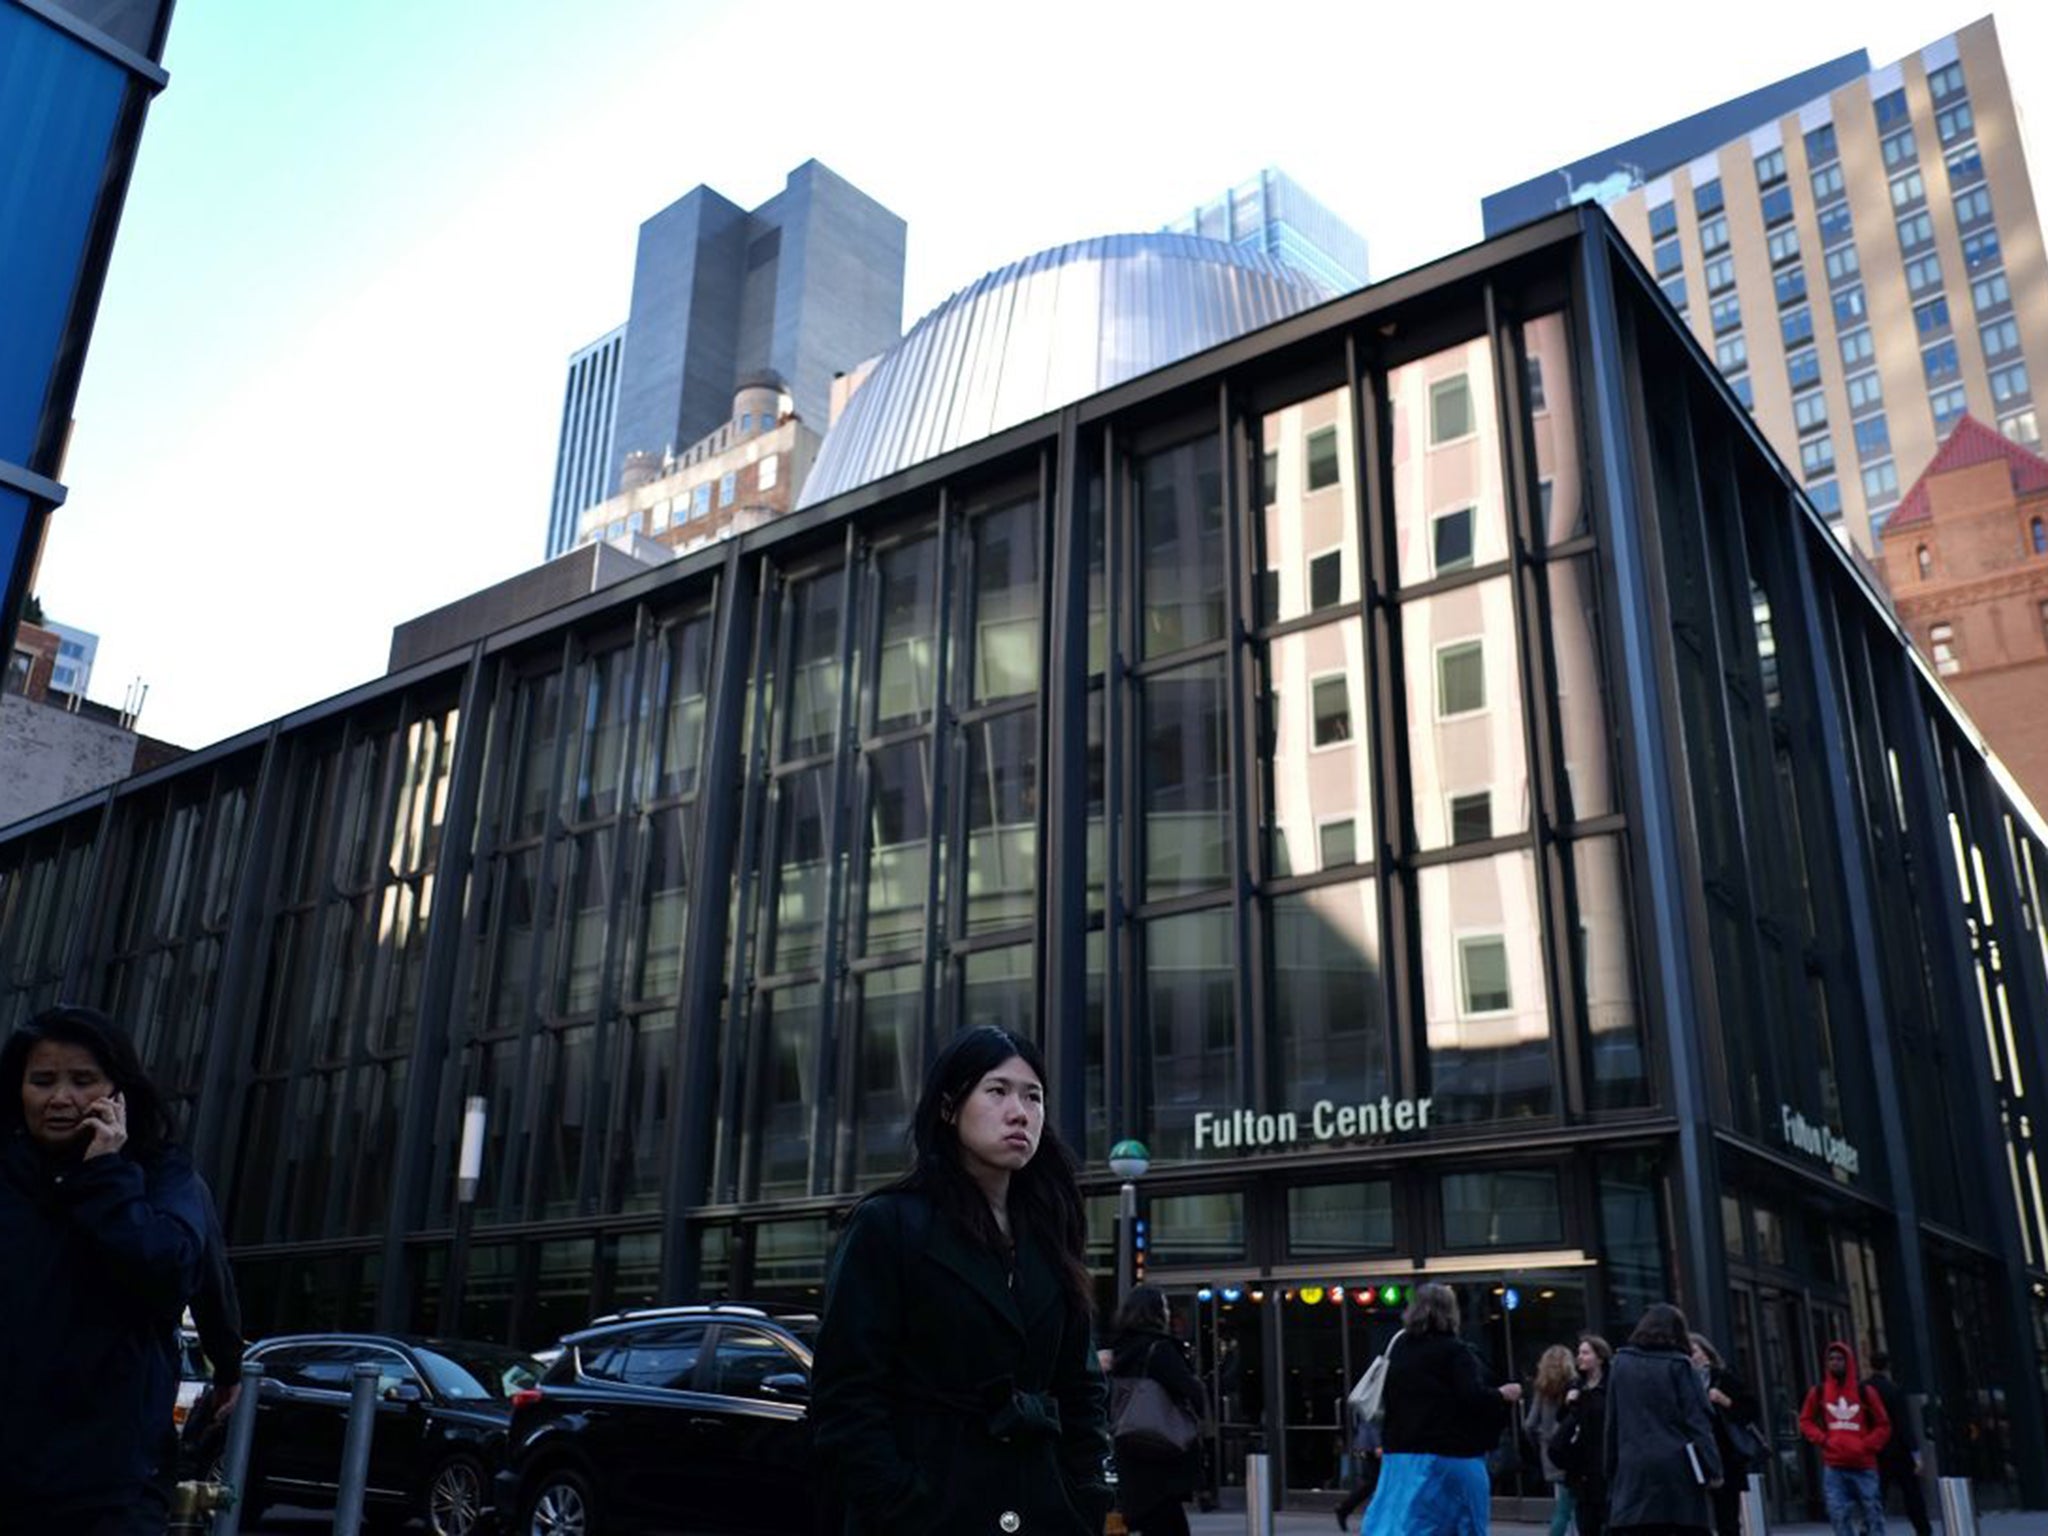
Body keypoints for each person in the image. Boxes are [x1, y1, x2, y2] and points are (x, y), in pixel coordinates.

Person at [811, 1025, 1112, 1535]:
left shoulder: (1049, 1236)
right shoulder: (890, 1224)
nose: (1020, 1112)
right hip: (928, 1512)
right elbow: (845, 1394)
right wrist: (901, 1501)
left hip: (1041, 1511)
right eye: (997, 1091)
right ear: (949, 1108)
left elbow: (1080, 1388)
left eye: (1033, 1097)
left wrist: (1085, 1493)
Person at [0, 1005, 208, 1535]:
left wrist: (106, 1176)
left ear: (119, 1092)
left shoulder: (162, 1174)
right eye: (42, 1081)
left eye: (83, 1080)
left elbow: (169, 1276)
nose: (61, 1098)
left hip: (111, 1484)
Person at [1359, 1281, 1522, 1535]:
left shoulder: (1399, 1347)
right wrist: (1502, 1395)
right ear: (1450, 1311)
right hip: (1448, 1456)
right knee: (1463, 1523)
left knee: (1400, 1524)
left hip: (1400, 1457)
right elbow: (1473, 1398)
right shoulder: (1454, 1351)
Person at [1603, 1302, 1721, 1536]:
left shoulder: (1621, 1364)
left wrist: (1610, 1468)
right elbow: (1698, 1422)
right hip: (1677, 1467)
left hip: (1633, 1466)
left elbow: (1612, 1422)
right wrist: (1713, 1468)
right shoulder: (1680, 1365)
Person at [1104, 1285, 1202, 1536]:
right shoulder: (1159, 1349)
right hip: (1161, 1454)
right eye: (1165, 1307)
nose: (1169, 1313)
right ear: (1156, 1313)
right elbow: (1189, 1389)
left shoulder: (1118, 1351)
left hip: (1130, 1452)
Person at [1799, 1341, 1891, 1536]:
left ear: (1847, 1362)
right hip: (1835, 1464)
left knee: (1872, 1513)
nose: (1835, 1363)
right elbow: (1805, 1420)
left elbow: (1883, 1424)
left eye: (1839, 1359)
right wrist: (1823, 1440)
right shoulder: (1819, 1392)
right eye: (1831, 1359)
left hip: (1863, 1464)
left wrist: (1867, 1445)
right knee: (1837, 1513)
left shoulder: (1865, 1392)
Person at [1688, 1334, 1761, 1536]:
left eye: (1693, 1351)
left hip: (1726, 1455)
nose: (1690, 1357)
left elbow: (1751, 1410)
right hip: (1696, 1455)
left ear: (1706, 1353)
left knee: (1727, 1517)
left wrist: (1724, 1401)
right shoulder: (1683, 1382)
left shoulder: (1723, 1378)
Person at [1863, 1351, 1929, 1536]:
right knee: (1911, 1492)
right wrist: (1915, 1454)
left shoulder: (1863, 1390)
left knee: (1876, 1494)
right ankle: (1923, 1529)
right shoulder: (1894, 1390)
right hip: (1898, 1449)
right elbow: (1903, 1424)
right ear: (1887, 1366)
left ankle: (1868, 1528)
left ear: (1871, 1365)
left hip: (1874, 1449)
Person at [1553, 1334, 1613, 1536]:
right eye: (1579, 1353)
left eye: (1585, 1353)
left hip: (1605, 1466)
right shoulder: (1575, 1386)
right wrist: (1569, 1404)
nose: (1580, 1357)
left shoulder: (1611, 1386)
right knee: (1586, 1523)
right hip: (1581, 1470)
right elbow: (1562, 1421)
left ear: (1600, 1357)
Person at [1524, 1344, 1579, 1536]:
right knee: (1568, 1509)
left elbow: (1529, 1424)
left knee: (1562, 1503)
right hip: (1571, 1451)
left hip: (1549, 1451)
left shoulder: (1542, 1390)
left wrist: (1540, 1441)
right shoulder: (1575, 1386)